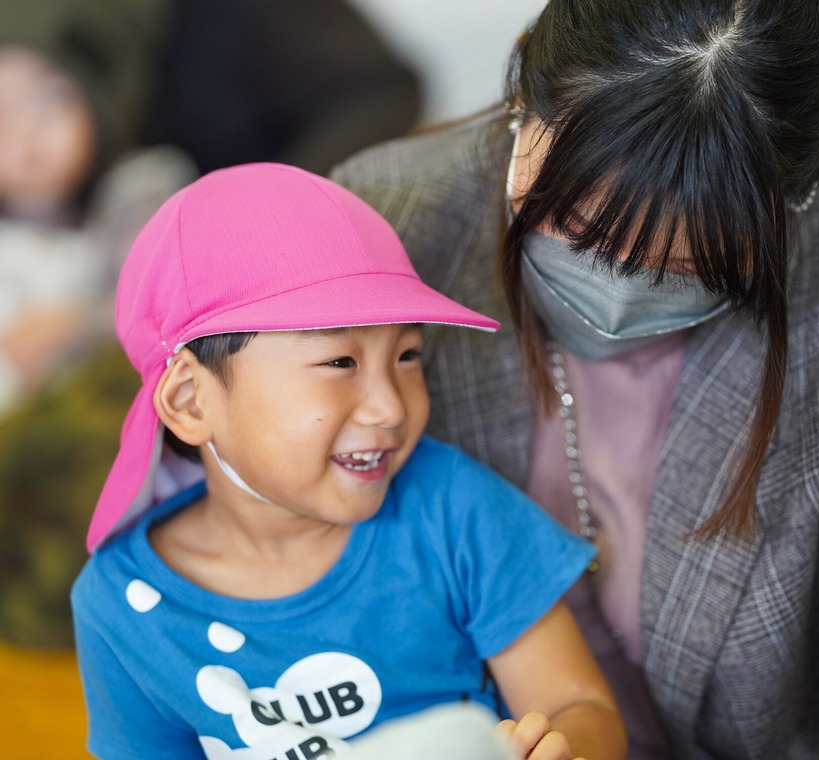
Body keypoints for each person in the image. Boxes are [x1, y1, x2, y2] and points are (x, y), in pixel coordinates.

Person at [331, 0, 819, 757]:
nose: (614, 289)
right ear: (521, 89)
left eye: (685, 268)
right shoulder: (379, 228)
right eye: (573, 225)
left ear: (798, 196)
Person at [69, 163, 627, 759]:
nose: (391, 407)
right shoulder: (120, 607)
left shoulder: (452, 507)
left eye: (408, 355)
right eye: (340, 362)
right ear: (189, 399)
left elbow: (582, 708)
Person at [0, 0, 425, 647]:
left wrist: (268, 223)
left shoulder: (142, 189)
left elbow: (384, 89)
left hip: (245, 292)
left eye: (48, 104)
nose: (24, 139)